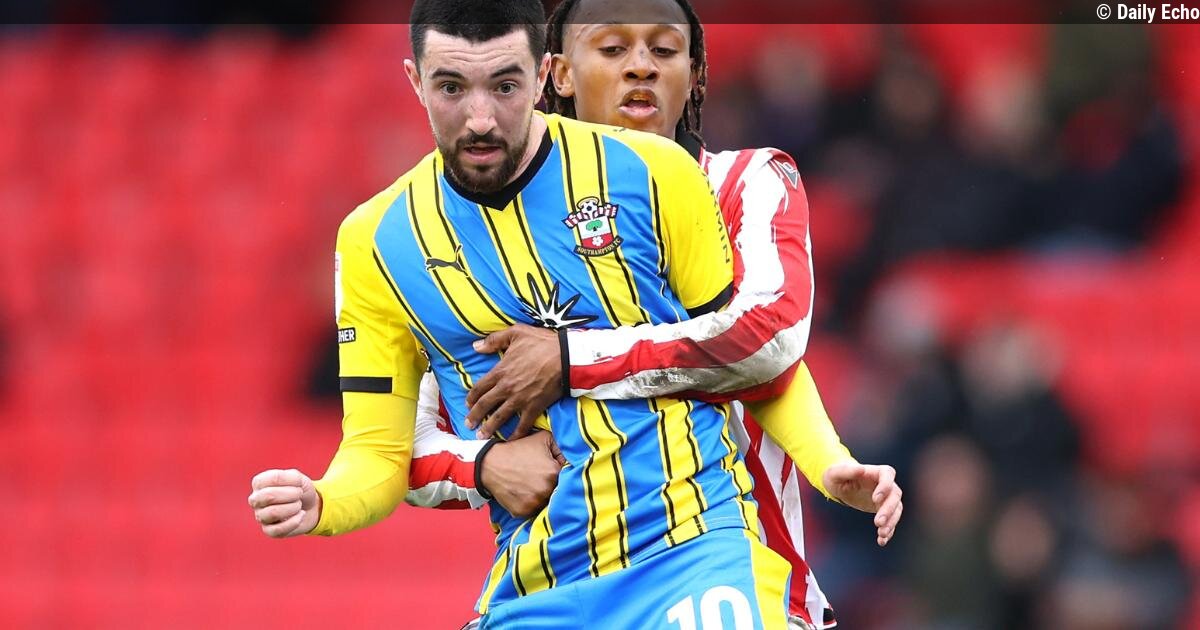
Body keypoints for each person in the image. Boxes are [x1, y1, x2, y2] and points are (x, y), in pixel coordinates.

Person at [249, 0, 797, 627]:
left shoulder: (652, 170)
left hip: (691, 552)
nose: (480, 118)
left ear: (541, 76)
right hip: (538, 585)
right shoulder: (374, 241)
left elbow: (752, 358)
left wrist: (830, 463)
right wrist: (325, 501)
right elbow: (378, 452)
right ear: (414, 81)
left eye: (504, 86)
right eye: (451, 88)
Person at [401, 1, 904, 628]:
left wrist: (570, 361)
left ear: (694, 75)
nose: (640, 65)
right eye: (613, 49)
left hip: (725, 581)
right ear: (558, 73)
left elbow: (765, 344)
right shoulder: (472, 234)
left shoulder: (745, 181)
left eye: (664, 50)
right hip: (557, 595)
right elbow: (399, 447)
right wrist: (484, 468)